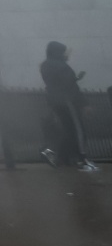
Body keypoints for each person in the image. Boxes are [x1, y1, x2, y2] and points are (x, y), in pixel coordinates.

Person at [40, 41, 98, 171]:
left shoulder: (46, 65)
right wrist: (84, 104)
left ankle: (57, 156)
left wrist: (74, 79)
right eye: (63, 52)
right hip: (67, 101)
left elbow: (56, 83)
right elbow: (70, 86)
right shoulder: (61, 65)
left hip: (56, 101)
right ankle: (83, 160)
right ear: (57, 52)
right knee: (78, 130)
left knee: (69, 130)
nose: (66, 55)